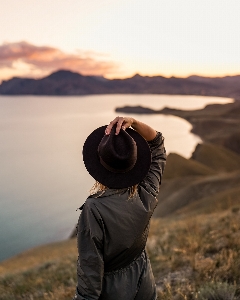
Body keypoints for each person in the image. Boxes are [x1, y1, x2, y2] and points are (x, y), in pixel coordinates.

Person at [73, 116, 166, 300]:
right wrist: (135, 122)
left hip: (113, 291)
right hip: (144, 277)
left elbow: (90, 271)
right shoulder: (147, 189)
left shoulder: (94, 209)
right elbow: (157, 144)